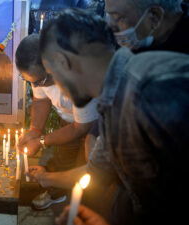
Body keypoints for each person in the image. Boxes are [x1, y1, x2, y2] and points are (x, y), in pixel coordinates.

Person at [39, 8, 189, 225]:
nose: (60, 89)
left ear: (63, 61)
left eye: (52, 75)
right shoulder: (112, 102)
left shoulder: (150, 87)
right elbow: (98, 172)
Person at [15, 34, 98, 210]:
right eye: (29, 81)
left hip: (96, 127)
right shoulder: (37, 74)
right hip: (69, 121)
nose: (35, 86)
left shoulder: (79, 79)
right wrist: (35, 131)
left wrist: (41, 141)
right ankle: (57, 194)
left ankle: (84, 207)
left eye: (38, 81)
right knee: (62, 158)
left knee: (86, 171)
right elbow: (40, 101)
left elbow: (81, 127)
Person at [105, 0, 189, 53]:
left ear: (155, 16)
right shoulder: (138, 41)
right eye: (109, 16)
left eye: (118, 18)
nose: (110, 26)